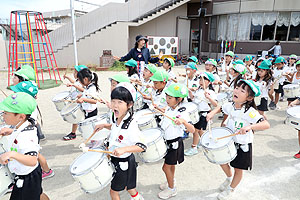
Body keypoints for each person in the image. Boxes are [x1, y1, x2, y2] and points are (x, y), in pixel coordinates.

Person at [207, 79, 270, 200]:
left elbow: (266, 124)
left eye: (242, 91)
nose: (236, 91)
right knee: (221, 160)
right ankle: (229, 178)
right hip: (230, 141)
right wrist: (212, 113)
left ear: (249, 98)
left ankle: (231, 189)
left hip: (243, 144)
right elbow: (220, 108)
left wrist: (250, 127)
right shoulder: (230, 105)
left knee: (238, 169)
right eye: (236, 88)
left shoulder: (250, 112)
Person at [94, 82, 147, 200]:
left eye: (119, 102)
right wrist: (104, 125)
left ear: (129, 104)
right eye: (113, 101)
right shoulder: (115, 116)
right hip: (117, 159)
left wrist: (124, 149)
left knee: (113, 192)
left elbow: (142, 146)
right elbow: (115, 127)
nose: (115, 105)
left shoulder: (131, 125)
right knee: (130, 187)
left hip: (124, 162)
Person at [0, 92, 50, 200]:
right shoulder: (23, 125)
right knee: (38, 194)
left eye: (6, 113)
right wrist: (12, 131)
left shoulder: (26, 136)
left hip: (28, 178)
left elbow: (32, 160)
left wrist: (11, 154)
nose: (3, 116)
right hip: (27, 175)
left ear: (21, 116)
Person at [10, 81, 55, 180]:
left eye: (17, 92)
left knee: (34, 155)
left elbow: (30, 122)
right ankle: (46, 171)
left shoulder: (30, 108)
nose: (14, 94)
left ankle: (46, 171)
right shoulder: (28, 105)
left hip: (30, 135)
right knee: (36, 154)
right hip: (30, 133)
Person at [158, 83, 195, 199]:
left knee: (165, 167)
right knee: (171, 165)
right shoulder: (170, 107)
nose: (167, 100)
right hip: (168, 141)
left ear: (178, 99)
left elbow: (192, 129)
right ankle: (171, 181)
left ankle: (172, 189)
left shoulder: (182, 112)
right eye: (167, 97)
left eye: (170, 98)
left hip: (174, 144)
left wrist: (183, 122)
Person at [185, 72, 218, 156]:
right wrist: (190, 92)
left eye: (204, 80)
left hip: (203, 114)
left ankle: (194, 147)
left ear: (209, 82)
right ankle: (206, 141)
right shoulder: (198, 90)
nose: (200, 81)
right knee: (199, 131)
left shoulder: (210, 92)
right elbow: (193, 98)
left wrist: (209, 97)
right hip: (196, 113)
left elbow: (216, 104)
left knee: (195, 131)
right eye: (200, 79)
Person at [64, 68, 100, 140]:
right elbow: (85, 92)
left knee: (91, 129)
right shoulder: (88, 86)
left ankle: (95, 142)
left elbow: (95, 101)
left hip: (91, 113)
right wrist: (81, 95)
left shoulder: (92, 88)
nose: (79, 83)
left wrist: (83, 99)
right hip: (86, 111)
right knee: (87, 129)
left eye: (80, 81)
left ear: (85, 79)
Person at [63, 65, 86, 141]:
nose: (74, 73)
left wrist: (74, 85)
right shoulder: (78, 80)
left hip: (79, 102)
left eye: (75, 72)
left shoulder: (83, 82)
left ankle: (73, 134)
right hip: (75, 101)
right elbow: (74, 82)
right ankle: (79, 131)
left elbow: (83, 90)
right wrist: (67, 77)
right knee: (78, 118)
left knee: (75, 118)